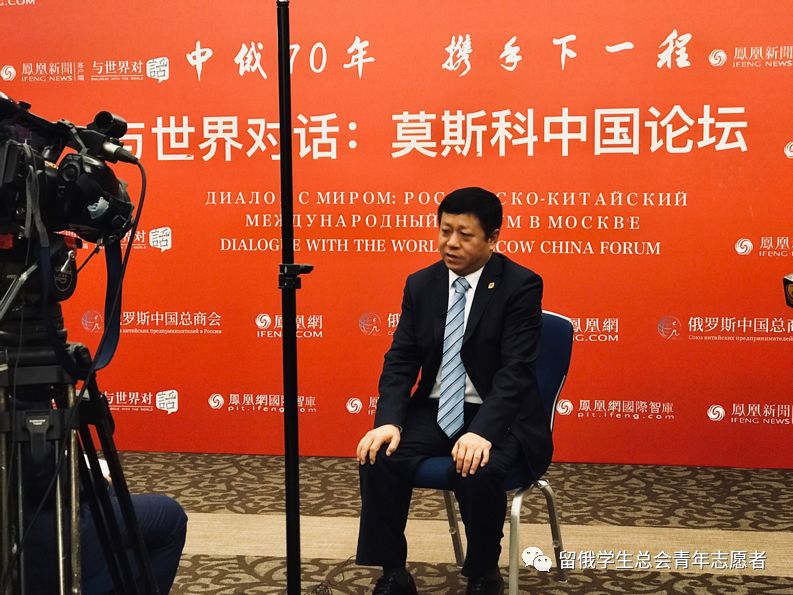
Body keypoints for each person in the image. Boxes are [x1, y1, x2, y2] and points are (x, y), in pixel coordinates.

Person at [355, 187, 552, 595]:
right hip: (436, 409)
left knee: (478, 466)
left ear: (493, 238)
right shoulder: (422, 284)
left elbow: (515, 372)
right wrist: (389, 421)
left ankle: (483, 573)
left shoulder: (520, 285)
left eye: (465, 234)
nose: (451, 243)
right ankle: (393, 573)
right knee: (379, 456)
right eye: (445, 231)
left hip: (499, 415)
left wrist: (483, 432)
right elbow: (401, 359)